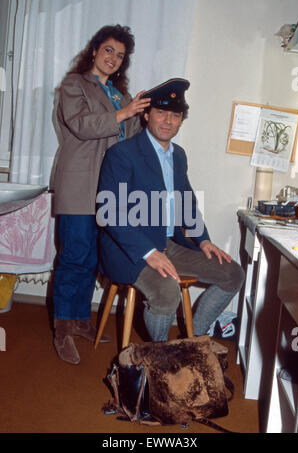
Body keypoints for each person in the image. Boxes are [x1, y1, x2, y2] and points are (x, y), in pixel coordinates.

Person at [96, 78, 245, 342]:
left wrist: (203, 239)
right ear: (146, 115)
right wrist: (148, 252)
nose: (167, 120)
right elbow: (110, 213)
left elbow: (186, 200)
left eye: (175, 115)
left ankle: (191, 340)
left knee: (232, 273)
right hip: (128, 249)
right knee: (167, 291)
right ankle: (161, 359)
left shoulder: (178, 155)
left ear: (181, 121)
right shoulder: (122, 154)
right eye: (161, 113)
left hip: (168, 243)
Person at [51, 24, 150, 364]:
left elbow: (129, 138)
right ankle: (62, 327)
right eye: (109, 50)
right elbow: (81, 124)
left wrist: (145, 115)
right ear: (94, 50)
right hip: (79, 185)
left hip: (108, 191)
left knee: (93, 259)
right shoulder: (73, 85)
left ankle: (80, 320)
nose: (113, 58)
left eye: (120, 55)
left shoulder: (121, 97)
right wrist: (124, 113)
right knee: (74, 256)